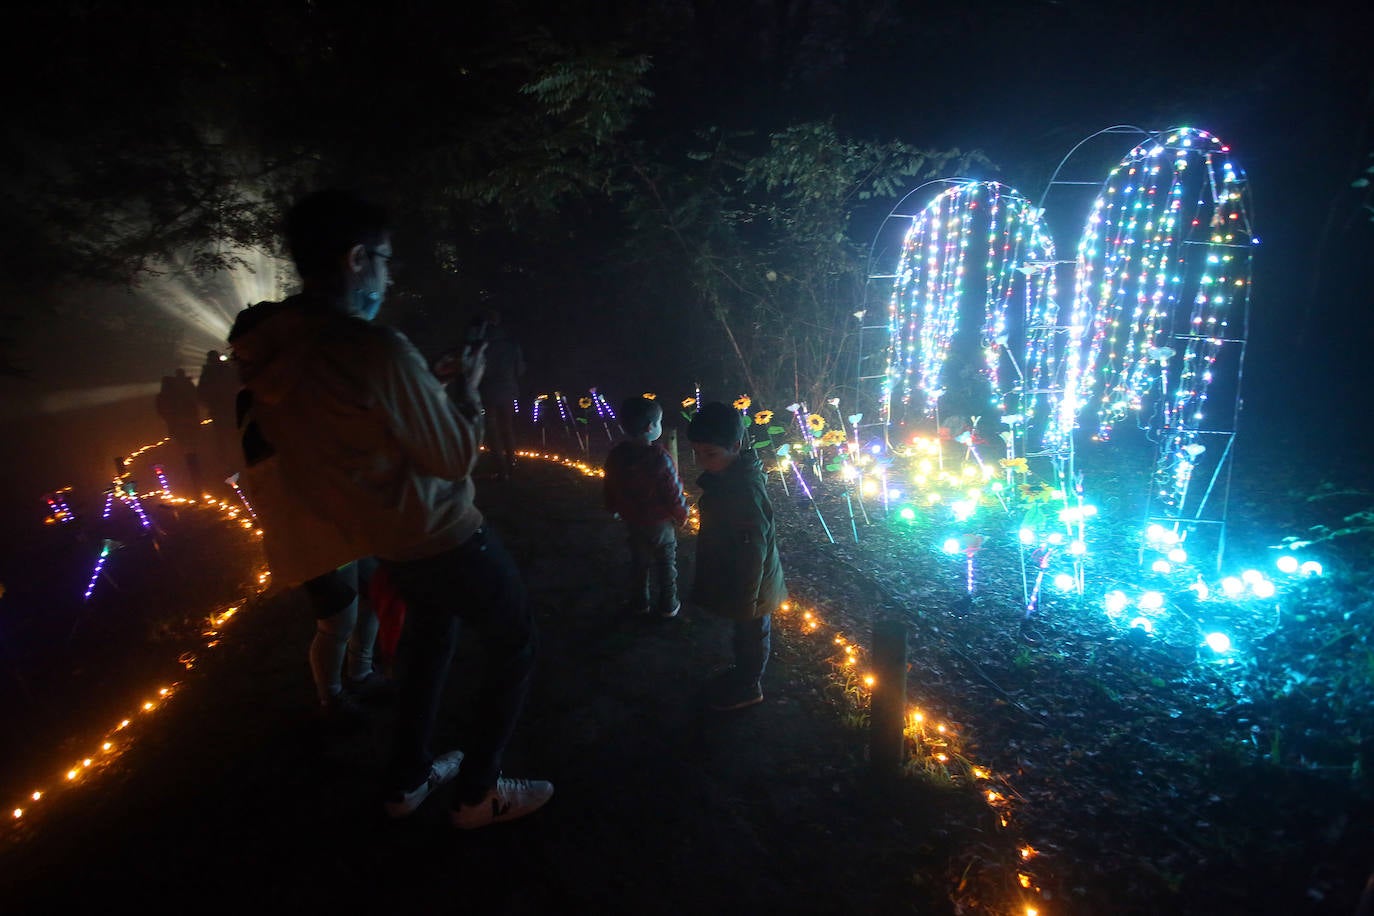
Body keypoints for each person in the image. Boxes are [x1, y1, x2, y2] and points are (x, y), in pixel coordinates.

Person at [227, 189, 552, 828]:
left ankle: (406, 779)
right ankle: (479, 792)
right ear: (356, 259)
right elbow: (454, 456)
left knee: (429, 644)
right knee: (516, 642)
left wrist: (424, 384)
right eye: (385, 258)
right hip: (443, 531)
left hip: (383, 537)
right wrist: (468, 395)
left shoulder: (277, 359)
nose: (389, 273)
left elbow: (358, 432)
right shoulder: (374, 348)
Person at [686, 401, 787, 712]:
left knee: (752, 633)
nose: (702, 461)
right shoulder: (727, 481)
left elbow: (752, 552)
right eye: (698, 453)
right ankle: (742, 673)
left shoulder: (743, 492)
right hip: (742, 580)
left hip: (753, 585)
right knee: (743, 633)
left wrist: (745, 598)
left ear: (736, 446)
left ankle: (748, 685)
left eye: (710, 454)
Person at [603, 396, 689, 617]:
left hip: (632, 520)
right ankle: (668, 604)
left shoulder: (616, 455)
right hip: (659, 523)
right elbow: (672, 489)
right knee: (666, 561)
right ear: (651, 427)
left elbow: (609, 482)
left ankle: (640, 601)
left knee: (639, 562)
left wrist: (612, 505)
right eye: (659, 423)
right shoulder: (660, 458)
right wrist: (681, 513)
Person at [471, 308, 524, 480]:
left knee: (492, 428)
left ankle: (501, 467)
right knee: (507, 426)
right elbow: (520, 369)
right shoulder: (511, 345)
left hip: (489, 389)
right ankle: (511, 463)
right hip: (508, 389)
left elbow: (476, 367)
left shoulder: (482, 344)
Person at [155, 367, 205, 495]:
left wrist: (171, 421)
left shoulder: (167, 394)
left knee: (188, 452)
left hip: (180, 427)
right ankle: (197, 481)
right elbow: (197, 400)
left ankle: (195, 482)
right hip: (188, 425)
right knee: (192, 452)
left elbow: (162, 410)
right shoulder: (186, 388)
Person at [197, 349, 242, 479]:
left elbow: (201, 392)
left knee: (223, 436)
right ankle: (236, 460)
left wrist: (209, 403)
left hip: (220, 409)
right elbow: (237, 382)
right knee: (233, 433)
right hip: (229, 406)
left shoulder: (208, 373)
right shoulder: (224, 370)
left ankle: (228, 463)